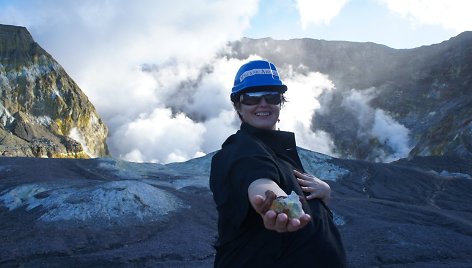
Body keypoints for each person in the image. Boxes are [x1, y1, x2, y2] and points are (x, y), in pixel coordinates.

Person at [209, 60, 347, 267]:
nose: (263, 103)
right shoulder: (240, 149)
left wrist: (325, 195)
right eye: (251, 97)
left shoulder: (278, 151)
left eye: (272, 96)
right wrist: (277, 204)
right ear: (238, 105)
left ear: (280, 102)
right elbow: (258, 179)